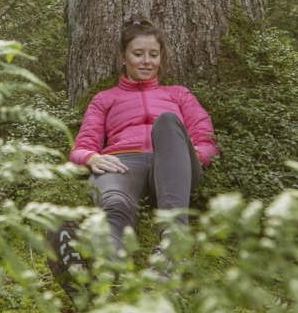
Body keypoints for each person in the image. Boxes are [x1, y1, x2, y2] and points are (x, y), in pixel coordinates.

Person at [51, 19, 219, 277]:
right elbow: (82, 146)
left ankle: (174, 247)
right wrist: (90, 157)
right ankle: (103, 270)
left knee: (168, 121)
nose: (146, 61)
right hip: (123, 164)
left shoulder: (179, 94)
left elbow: (206, 139)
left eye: (153, 55)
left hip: (173, 163)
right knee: (114, 205)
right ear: (123, 57)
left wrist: (191, 157)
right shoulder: (104, 99)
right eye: (138, 54)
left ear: (161, 58)